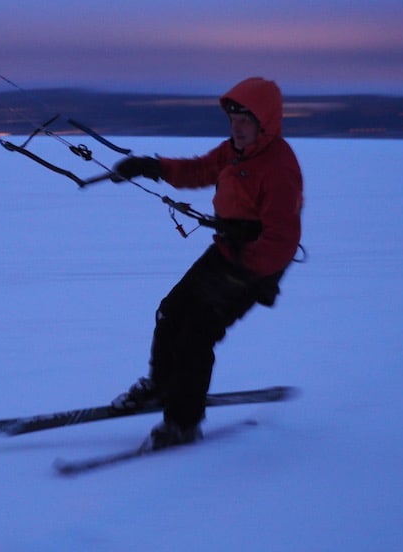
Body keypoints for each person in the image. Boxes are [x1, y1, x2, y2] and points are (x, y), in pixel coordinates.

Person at [110, 77, 304, 450]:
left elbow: (283, 240)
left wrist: (247, 272)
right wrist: (150, 167)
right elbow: (198, 170)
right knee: (171, 312)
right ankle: (161, 386)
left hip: (254, 265)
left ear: (264, 122)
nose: (237, 127)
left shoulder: (279, 166)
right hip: (227, 251)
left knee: (196, 335)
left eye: (245, 120)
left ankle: (183, 423)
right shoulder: (232, 152)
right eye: (233, 119)